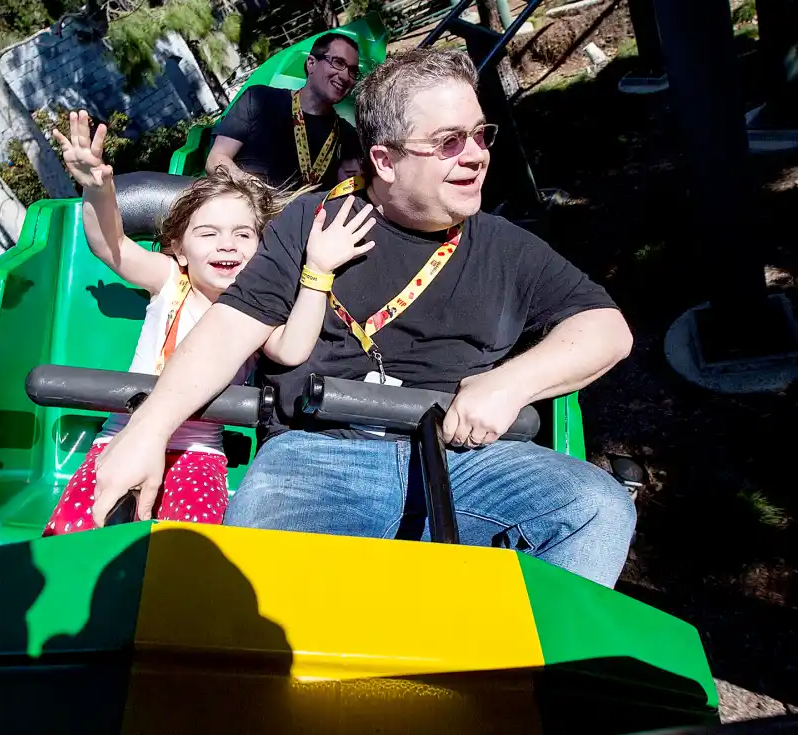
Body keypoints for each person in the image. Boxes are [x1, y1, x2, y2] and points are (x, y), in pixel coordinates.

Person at [91, 48, 636, 589]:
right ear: (385, 161)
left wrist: (511, 382)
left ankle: (519, 667)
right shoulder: (310, 221)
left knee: (597, 508)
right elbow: (228, 331)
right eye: (448, 141)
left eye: (479, 135)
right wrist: (148, 428)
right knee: (260, 573)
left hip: (462, 458)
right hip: (318, 457)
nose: (475, 155)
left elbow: (607, 329)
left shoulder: (508, 247)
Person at [43, 112, 376, 534]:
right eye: (208, 234)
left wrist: (318, 271)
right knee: (77, 535)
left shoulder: (259, 311)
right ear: (180, 250)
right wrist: (97, 189)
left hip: (198, 452)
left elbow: (291, 348)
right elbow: (111, 246)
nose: (227, 245)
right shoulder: (169, 281)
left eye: (243, 234)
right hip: (123, 437)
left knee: (187, 547)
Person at [206, 32, 363, 189]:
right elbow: (216, 159)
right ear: (311, 63)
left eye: (353, 71)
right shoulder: (259, 99)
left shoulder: (347, 135)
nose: (345, 76)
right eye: (337, 62)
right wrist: (251, 187)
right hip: (250, 206)